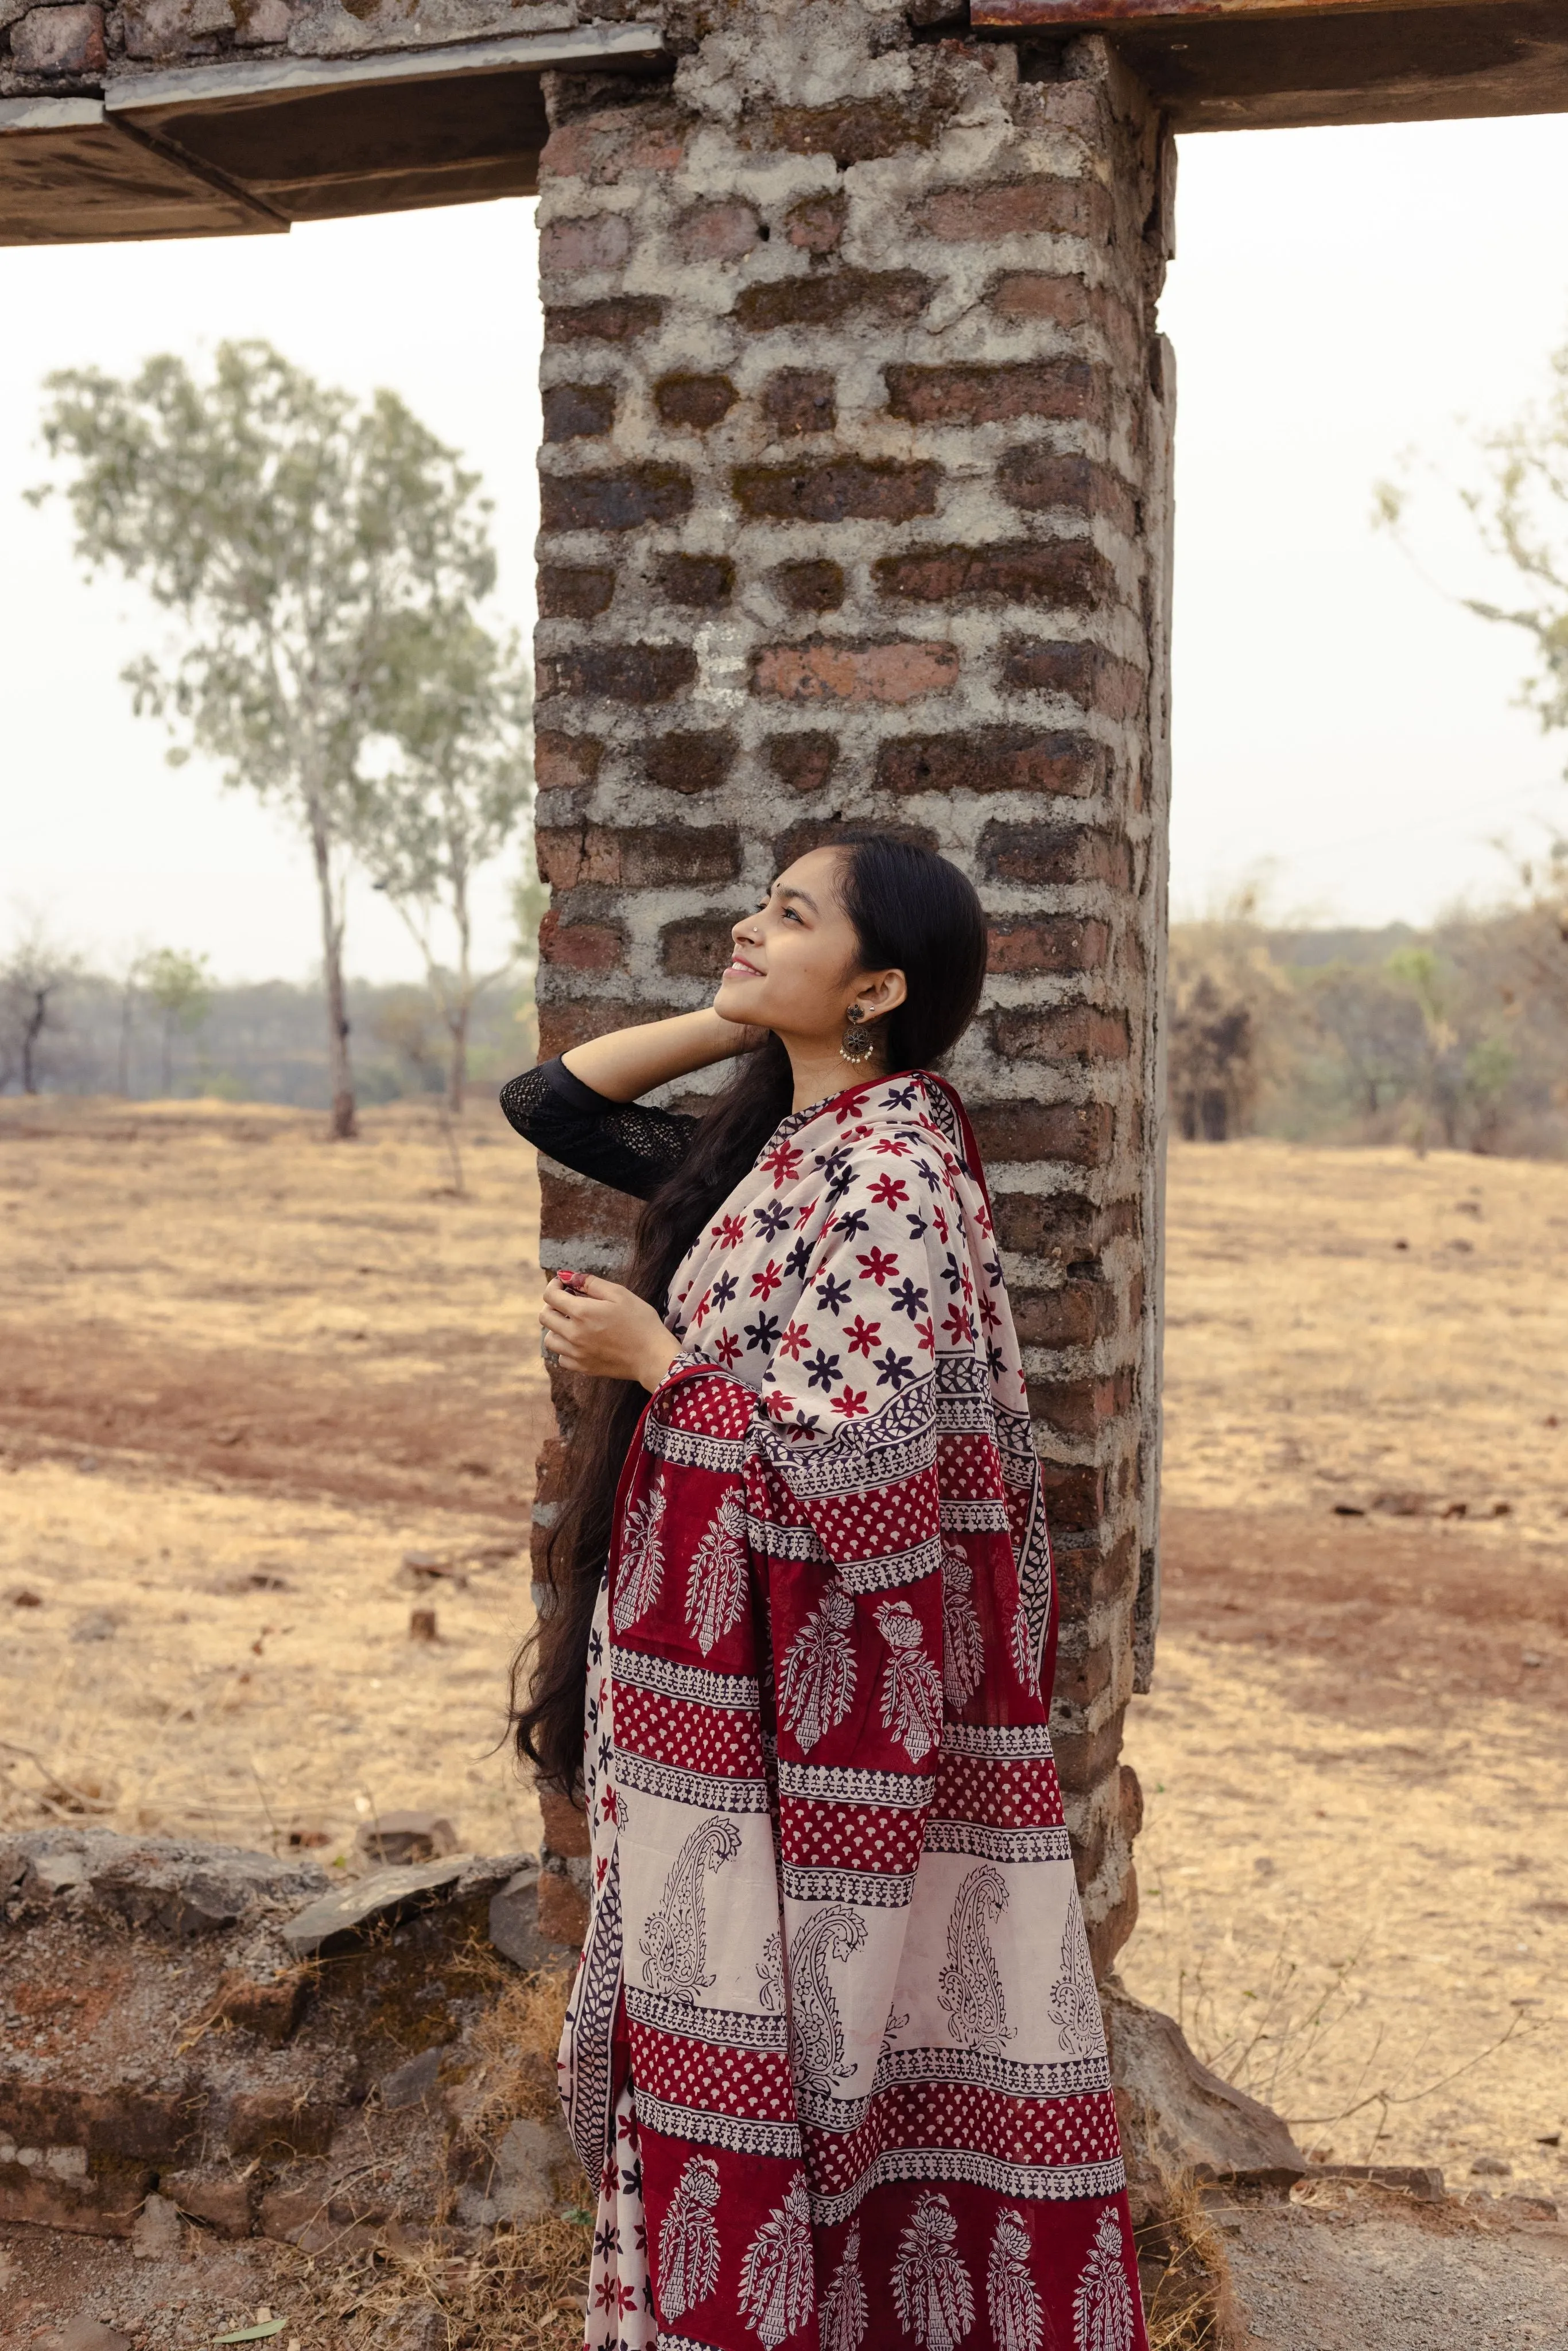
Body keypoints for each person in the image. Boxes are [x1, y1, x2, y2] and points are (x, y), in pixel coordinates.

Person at [502, 833, 1149, 2351]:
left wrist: (654, 1365)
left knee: (803, 2057)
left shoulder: (889, 1175)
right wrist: (745, 1008)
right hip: (705, 1714)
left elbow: (860, 1473)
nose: (744, 923)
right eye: (754, 903)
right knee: (711, 2048)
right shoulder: (768, 1155)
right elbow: (552, 1102)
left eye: (787, 915)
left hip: (800, 1732)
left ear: (875, 985)